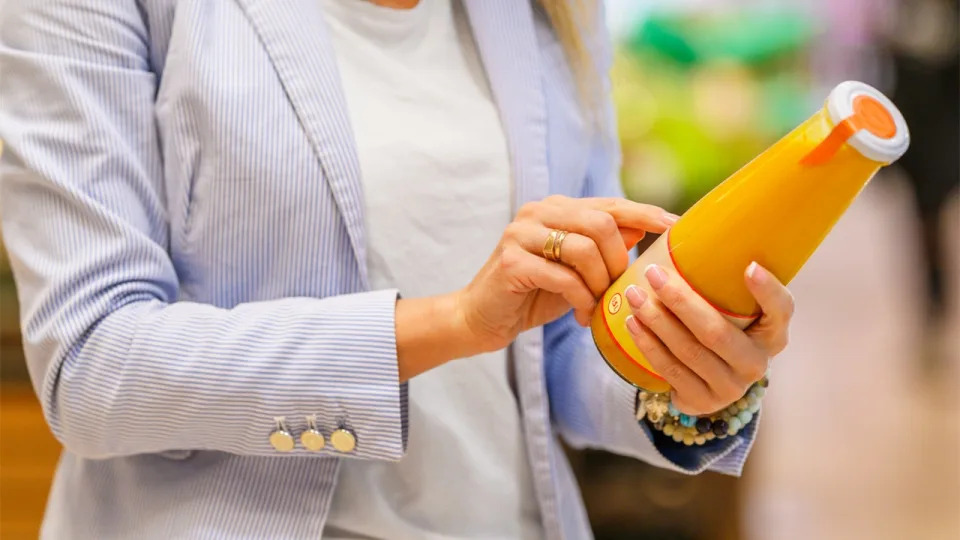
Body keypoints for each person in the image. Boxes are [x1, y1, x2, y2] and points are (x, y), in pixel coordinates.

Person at [0, 0, 795, 538]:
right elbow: (93, 365)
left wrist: (687, 376)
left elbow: (558, 337)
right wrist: (452, 323)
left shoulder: (536, 15)